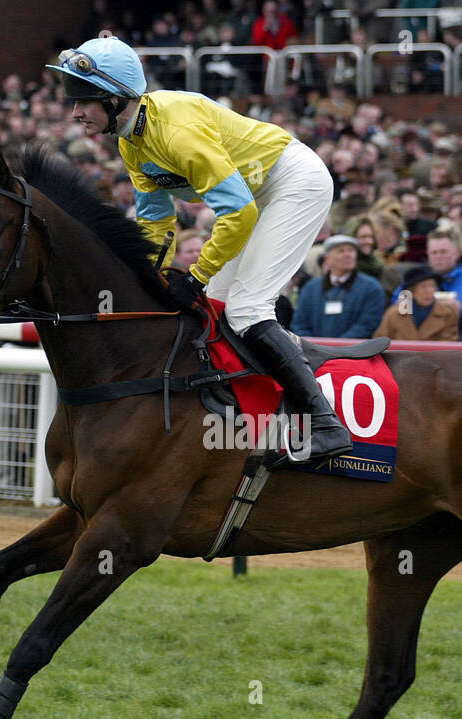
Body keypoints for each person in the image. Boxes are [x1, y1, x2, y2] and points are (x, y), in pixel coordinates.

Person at [48, 35, 351, 461]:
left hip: (292, 183)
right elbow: (156, 220)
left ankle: (325, 424)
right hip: (254, 193)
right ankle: (252, 415)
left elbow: (239, 214)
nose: (76, 112)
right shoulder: (130, 142)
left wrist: (196, 273)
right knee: (215, 307)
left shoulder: (176, 131)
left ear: (116, 98)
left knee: (247, 308)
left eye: (84, 101)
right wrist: (152, 277)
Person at [290, 235, 386, 338]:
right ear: (327, 258)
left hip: (355, 352)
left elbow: (368, 324)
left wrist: (338, 348)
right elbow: (299, 324)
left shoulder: (371, 288)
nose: (348, 255)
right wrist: (313, 346)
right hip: (313, 352)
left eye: (351, 251)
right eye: (341, 251)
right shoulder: (311, 288)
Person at [374, 265, 460, 341]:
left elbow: (449, 345)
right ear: (412, 291)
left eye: (431, 285)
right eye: (423, 286)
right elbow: (380, 342)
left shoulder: (447, 314)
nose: (428, 291)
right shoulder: (394, 314)